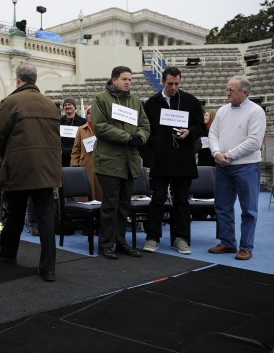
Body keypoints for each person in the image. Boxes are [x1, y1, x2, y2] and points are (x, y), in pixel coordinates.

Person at [0, 63, 61, 282]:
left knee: (15, 213)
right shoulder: (51, 104)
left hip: (20, 166)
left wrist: (8, 154)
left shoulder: (10, 102)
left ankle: (8, 252)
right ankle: (48, 268)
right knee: (46, 218)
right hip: (47, 168)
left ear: (18, 79)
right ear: (34, 80)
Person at [141, 66, 206, 255]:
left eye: (177, 84)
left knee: (182, 202)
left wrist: (190, 132)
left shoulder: (190, 101)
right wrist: (150, 158)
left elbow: (201, 126)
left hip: (183, 160)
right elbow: (145, 131)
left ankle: (181, 238)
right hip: (159, 161)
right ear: (162, 81)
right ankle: (153, 237)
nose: (174, 87)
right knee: (157, 200)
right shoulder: (152, 103)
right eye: (170, 84)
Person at [92, 66, 150, 260]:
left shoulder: (134, 101)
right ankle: (105, 245)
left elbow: (145, 125)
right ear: (114, 79)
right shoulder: (101, 98)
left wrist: (140, 137)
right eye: (124, 79)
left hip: (129, 162)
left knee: (124, 206)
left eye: (130, 80)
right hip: (109, 162)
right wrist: (127, 138)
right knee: (110, 205)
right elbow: (100, 127)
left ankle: (120, 242)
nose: (128, 82)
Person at [208, 76, 266, 261]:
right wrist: (217, 153)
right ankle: (227, 242)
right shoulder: (222, 110)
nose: (227, 93)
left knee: (249, 209)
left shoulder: (256, 111)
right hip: (223, 166)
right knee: (222, 206)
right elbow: (213, 134)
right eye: (227, 89)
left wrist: (229, 155)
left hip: (246, 166)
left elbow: (254, 142)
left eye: (231, 90)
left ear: (245, 92)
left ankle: (246, 247)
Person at [70, 104, 103, 201]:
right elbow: (76, 150)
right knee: (84, 199)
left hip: (101, 167)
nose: (90, 115)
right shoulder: (81, 130)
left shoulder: (103, 129)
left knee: (100, 197)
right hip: (85, 167)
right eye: (88, 113)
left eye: (93, 113)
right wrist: (75, 166)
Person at [60, 97, 87, 167]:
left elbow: (83, 138)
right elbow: (56, 137)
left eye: (69, 104)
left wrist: (71, 149)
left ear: (74, 107)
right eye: (65, 105)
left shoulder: (83, 121)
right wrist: (63, 149)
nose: (67, 106)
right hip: (61, 157)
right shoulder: (59, 121)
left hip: (76, 156)